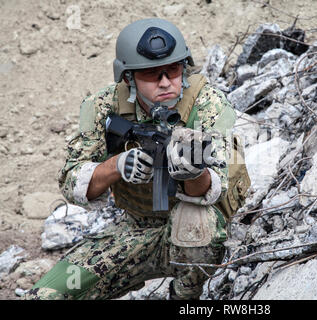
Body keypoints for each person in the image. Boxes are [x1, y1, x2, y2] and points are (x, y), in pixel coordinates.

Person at [24, 18, 237, 300]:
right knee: (46, 295)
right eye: (151, 74)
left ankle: (186, 298)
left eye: (172, 70)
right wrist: (117, 165)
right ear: (128, 78)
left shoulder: (209, 104)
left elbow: (216, 187)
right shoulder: (101, 106)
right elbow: (70, 181)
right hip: (135, 228)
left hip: (200, 229)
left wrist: (193, 173)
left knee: (199, 222)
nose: (165, 83)